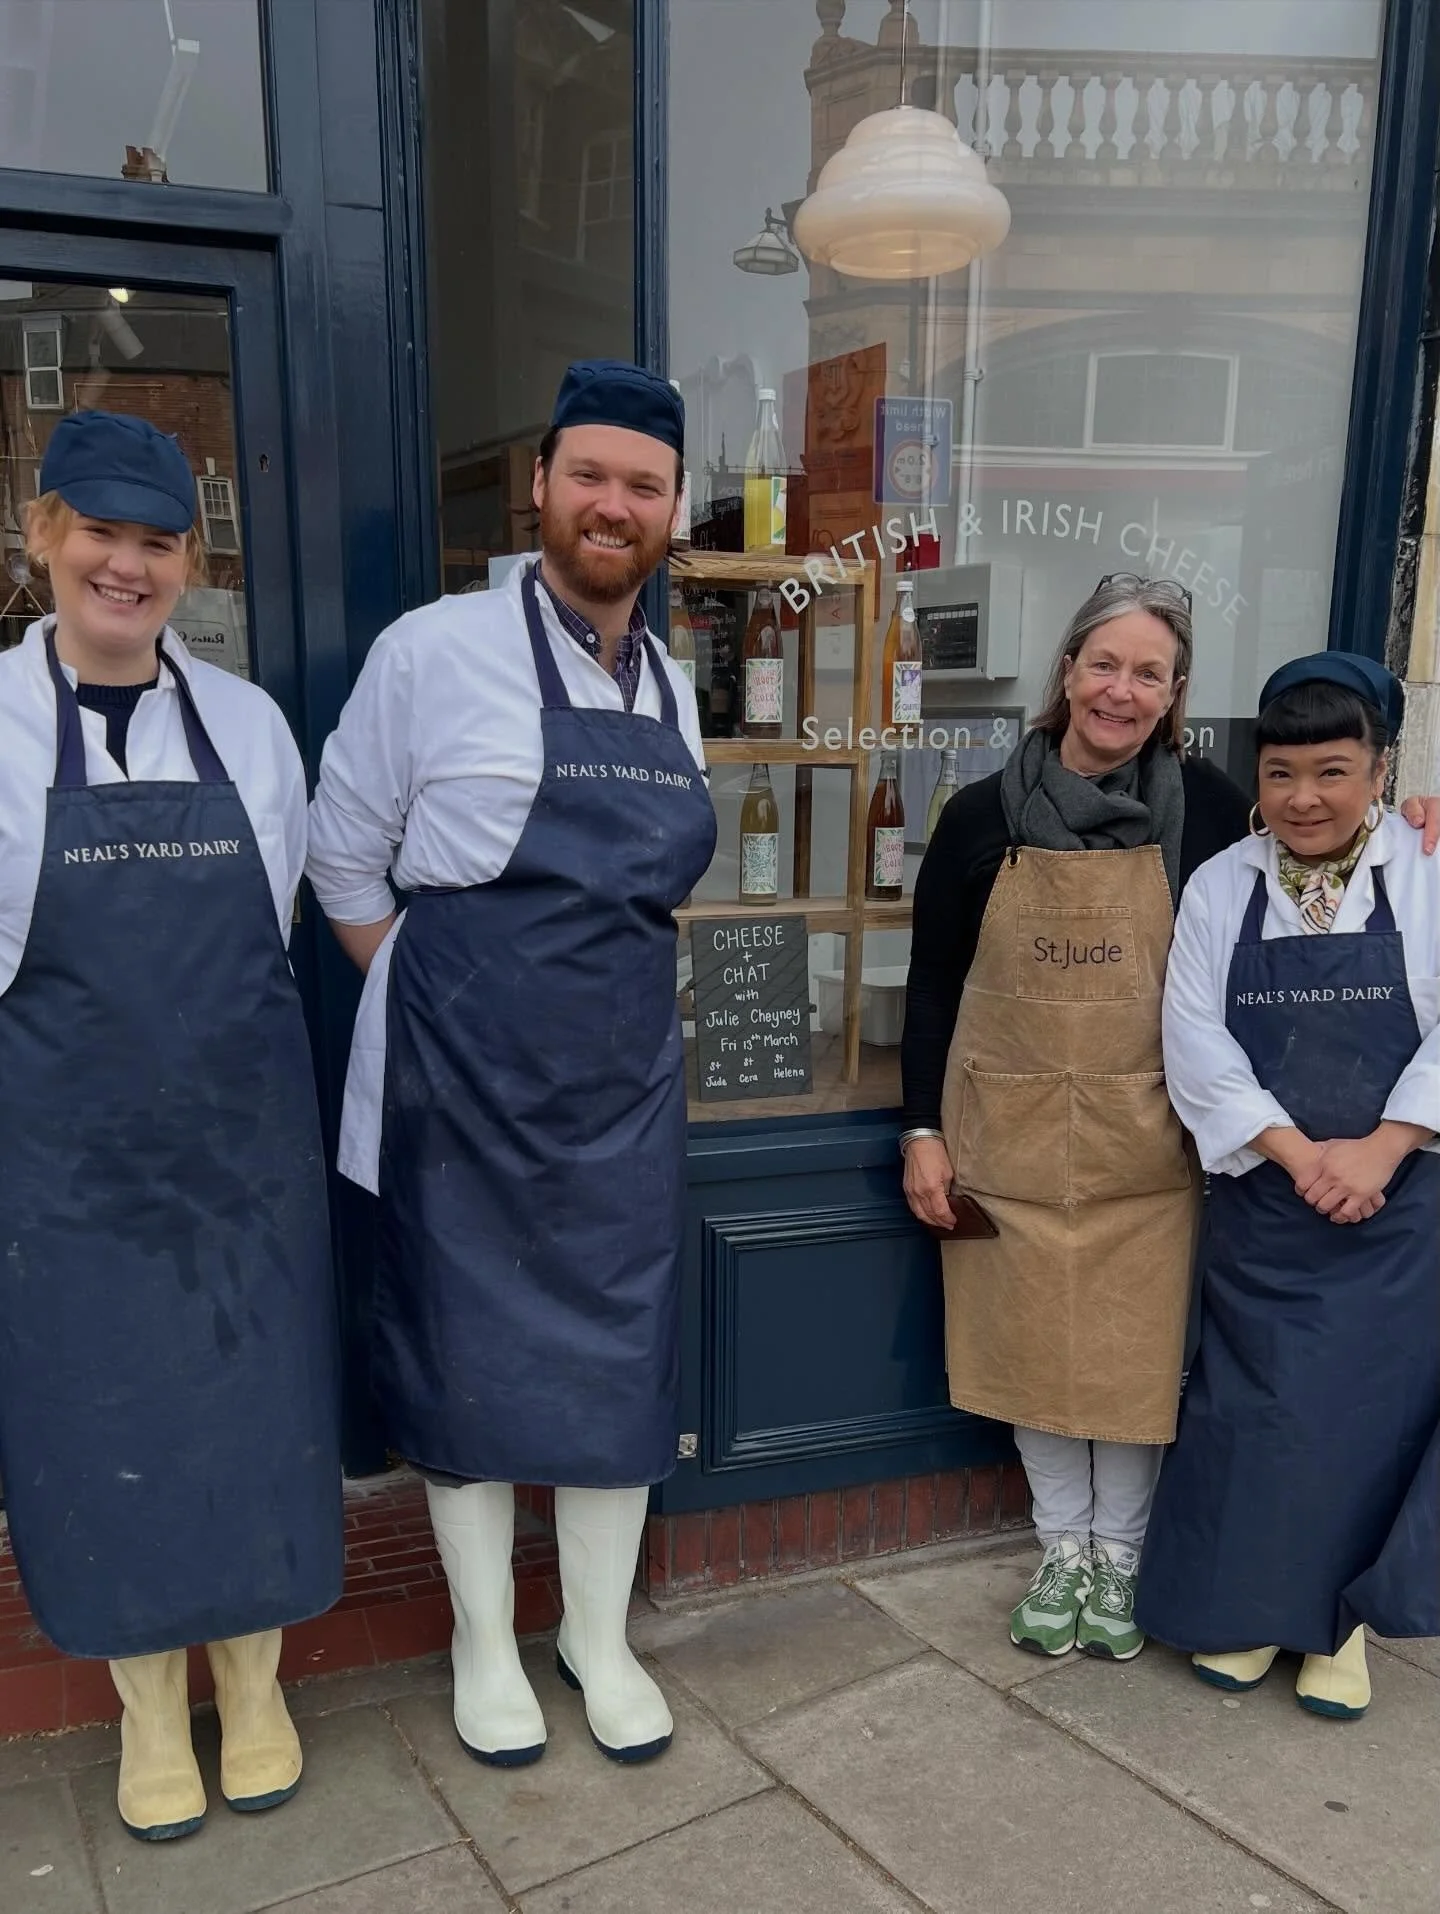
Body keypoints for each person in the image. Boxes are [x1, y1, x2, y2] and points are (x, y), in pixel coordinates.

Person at [900, 575, 1439, 1665]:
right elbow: (932, 987)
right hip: (1004, 1138)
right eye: (1105, 664)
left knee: (1129, 1367)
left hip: (1149, 1148)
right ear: (1067, 672)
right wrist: (923, 1129)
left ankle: (1123, 1557)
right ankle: (1064, 1553)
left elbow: (1324, 823)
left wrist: (1415, 813)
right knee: (1034, 1361)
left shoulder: (1211, 805)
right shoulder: (977, 813)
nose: (1122, 689)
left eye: (1150, 672)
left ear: (1175, 692)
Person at [306, 360, 716, 1768]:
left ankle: (593, 1639)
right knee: (463, 1369)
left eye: (644, 485)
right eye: (590, 475)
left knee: (618, 1375)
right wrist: (444, 1006)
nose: (615, 505)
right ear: (540, 485)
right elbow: (341, 857)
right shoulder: (431, 652)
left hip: (621, 1099)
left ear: (672, 511)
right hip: (458, 1098)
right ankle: (486, 1640)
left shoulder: (670, 685)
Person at [0, 412, 342, 1839]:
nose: (125, 566)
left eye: (155, 542)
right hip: (71, 1175)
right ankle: (151, 1711)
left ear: (189, 561)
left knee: (254, 1427)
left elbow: (269, 934)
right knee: (105, 1431)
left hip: (242, 1163)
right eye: (100, 534)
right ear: (43, 536)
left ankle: (254, 1688)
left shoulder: (252, 725)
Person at [1136, 656, 1439, 1719]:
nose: (1303, 798)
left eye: (1333, 771)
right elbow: (1195, 1040)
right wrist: (1304, 1156)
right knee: (1256, 1417)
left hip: (1399, 1209)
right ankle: (1250, 1614)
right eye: (1280, 774)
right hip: (1271, 1198)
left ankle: (1339, 1628)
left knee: (1366, 1422)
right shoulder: (1225, 883)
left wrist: (1385, 1146)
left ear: (1381, 768)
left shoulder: (1430, 868)